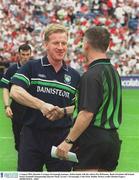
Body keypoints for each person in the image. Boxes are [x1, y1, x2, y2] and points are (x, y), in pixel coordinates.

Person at [10, 23, 80, 171]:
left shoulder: (74, 75)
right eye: (56, 43)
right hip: (32, 136)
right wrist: (41, 105)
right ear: (46, 44)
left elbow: (80, 107)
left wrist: (64, 111)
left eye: (64, 43)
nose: (61, 47)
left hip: (62, 138)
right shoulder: (31, 67)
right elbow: (15, 91)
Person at [56, 26, 122, 171]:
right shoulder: (114, 72)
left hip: (92, 139)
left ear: (86, 45)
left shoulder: (91, 75)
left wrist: (68, 141)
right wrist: (65, 111)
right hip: (112, 140)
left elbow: (87, 113)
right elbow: (98, 104)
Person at [1, 44, 32, 151]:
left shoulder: (35, 69)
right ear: (19, 54)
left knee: (33, 139)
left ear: (30, 54)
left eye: (27, 54)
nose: (25, 57)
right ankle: (22, 165)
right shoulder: (12, 69)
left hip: (33, 109)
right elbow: (5, 88)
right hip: (17, 109)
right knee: (18, 141)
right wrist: (6, 106)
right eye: (23, 54)